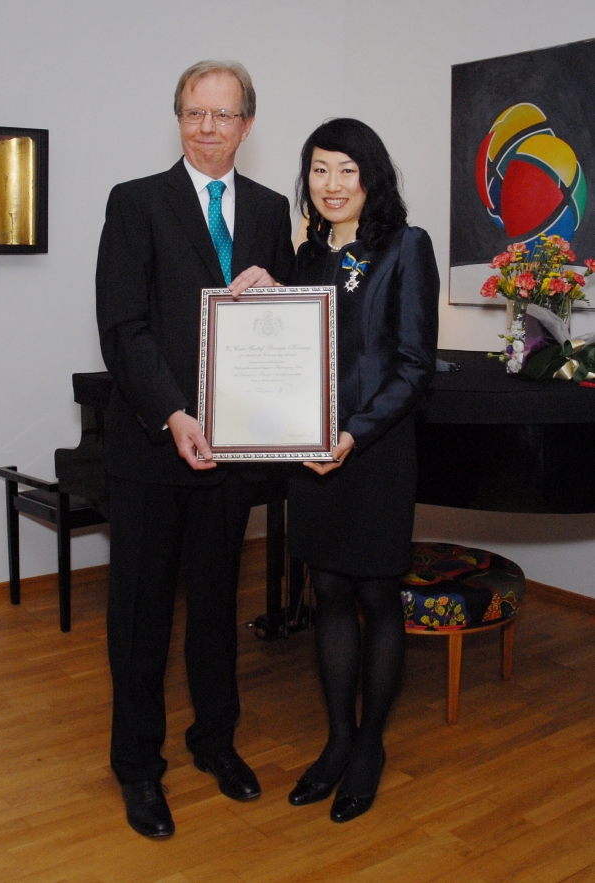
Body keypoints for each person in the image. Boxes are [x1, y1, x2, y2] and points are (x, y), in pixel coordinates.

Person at [96, 60, 294, 838]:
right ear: (178, 118)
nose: (207, 127)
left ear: (248, 123)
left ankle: (216, 741)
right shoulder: (136, 201)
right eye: (194, 112)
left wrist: (279, 298)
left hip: (235, 455)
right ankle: (138, 767)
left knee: (216, 608)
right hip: (154, 448)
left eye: (223, 114)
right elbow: (123, 326)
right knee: (141, 618)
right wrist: (175, 412)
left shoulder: (275, 211)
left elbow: (291, 322)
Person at [287, 118, 439, 822]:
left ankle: (371, 744)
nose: (332, 184)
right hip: (310, 458)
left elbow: (413, 369)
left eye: (346, 169)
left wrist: (352, 434)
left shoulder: (407, 247)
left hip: (374, 454)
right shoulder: (304, 259)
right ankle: (337, 739)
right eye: (319, 170)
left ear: (371, 176)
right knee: (327, 593)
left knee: (378, 599)